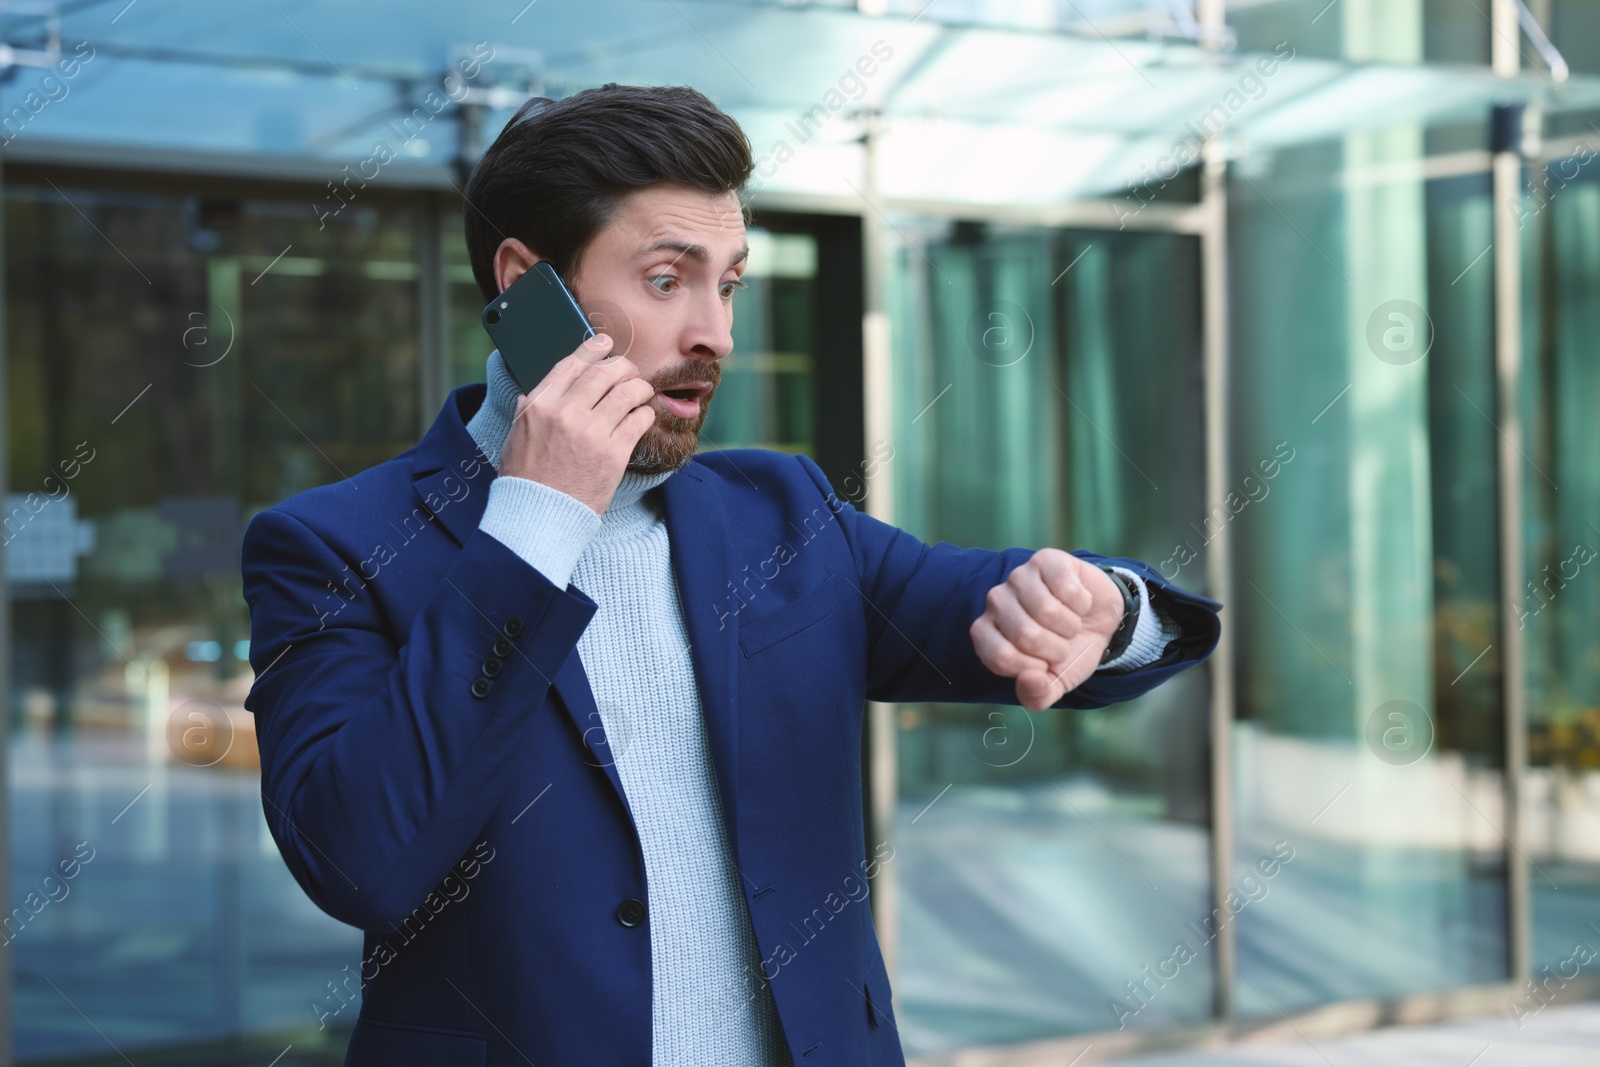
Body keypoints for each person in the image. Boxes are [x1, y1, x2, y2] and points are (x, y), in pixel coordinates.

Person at [239, 82, 1223, 1067]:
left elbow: (984, 601)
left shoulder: (780, 514)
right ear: (526, 288)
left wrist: (1105, 609)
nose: (717, 333)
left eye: (731, 282)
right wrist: (536, 521)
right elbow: (360, 855)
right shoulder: (330, 545)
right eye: (668, 280)